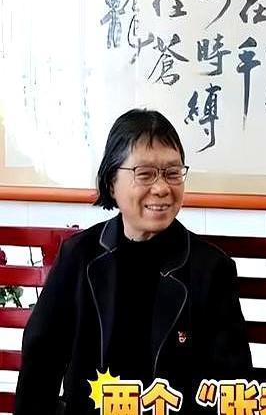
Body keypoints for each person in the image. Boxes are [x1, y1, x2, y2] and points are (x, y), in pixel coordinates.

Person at [15, 109, 252, 414]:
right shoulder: (79, 256)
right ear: (111, 181)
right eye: (145, 174)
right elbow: (41, 363)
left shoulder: (211, 269)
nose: (162, 188)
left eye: (172, 173)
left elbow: (230, 384)